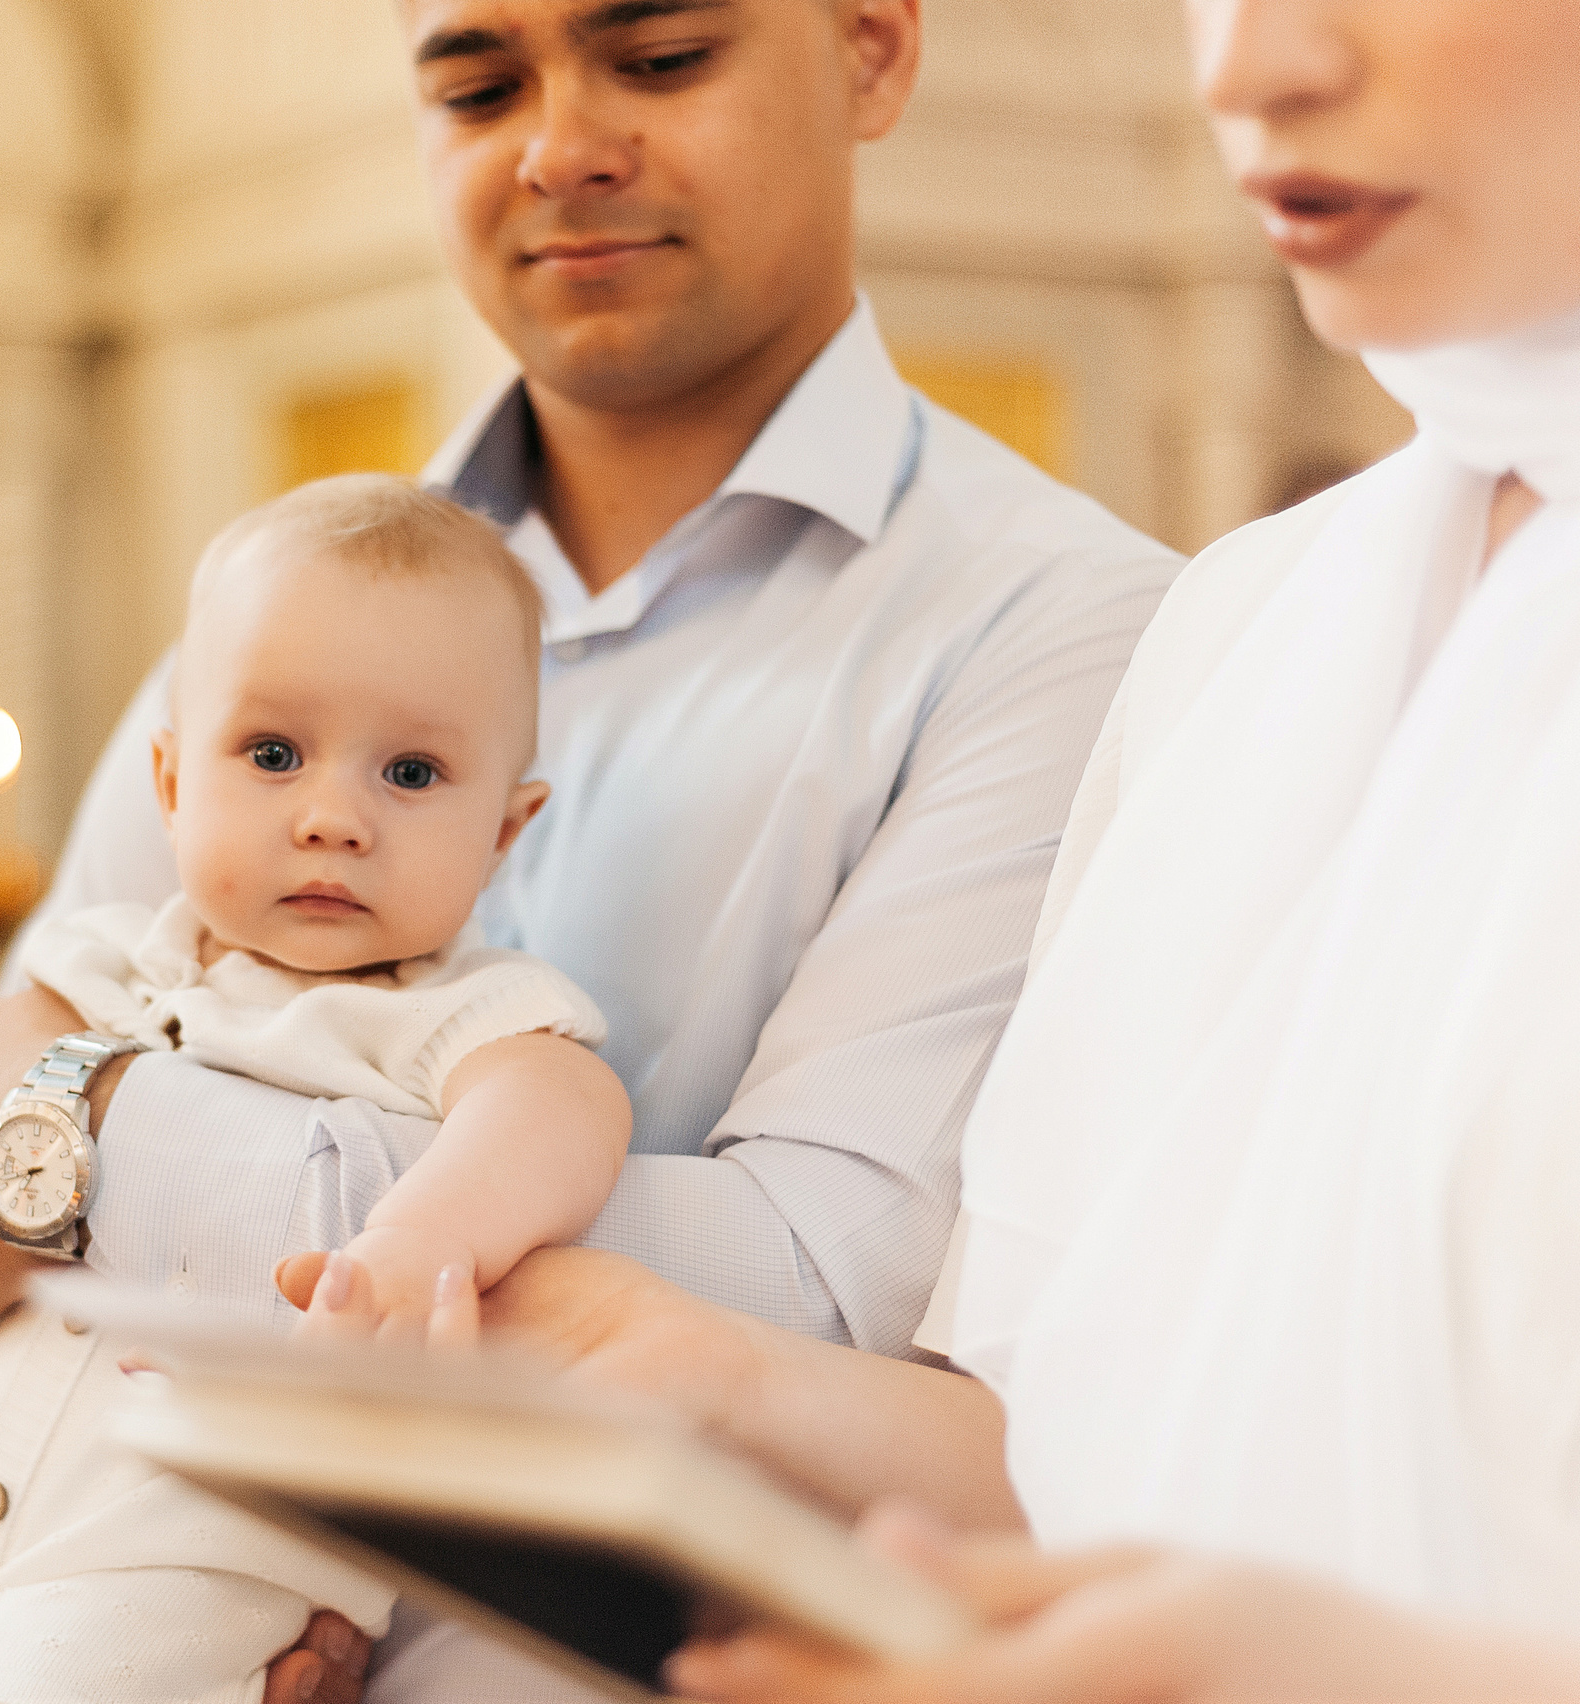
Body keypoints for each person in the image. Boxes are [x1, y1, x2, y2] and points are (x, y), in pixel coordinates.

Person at [0, 0, 1178, 1694]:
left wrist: (78, 1162)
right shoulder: (273, 607)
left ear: (874, 50)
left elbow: (801, 1278)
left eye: (660, 60)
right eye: (477, 83)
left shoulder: (1063, 629)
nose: (559, 146)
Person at [388, 1, 1580, 1696]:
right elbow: (1063, 1444)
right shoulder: (1242, 628)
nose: (1248, 71)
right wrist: (719, 1379)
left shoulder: (1064, 617)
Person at [0, 477, 628, 1704]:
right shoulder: (99, 969)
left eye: (409, 773)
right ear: (172, 783)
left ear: (506, 832)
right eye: (274, 755)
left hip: (174, 1525)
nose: (333, 816)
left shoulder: (450, 1010)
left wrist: (409, 1247)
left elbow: (562, 1110)